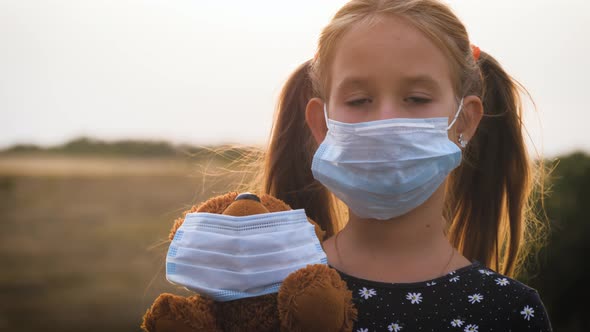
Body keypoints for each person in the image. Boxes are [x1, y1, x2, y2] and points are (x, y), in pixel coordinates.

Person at [255, 0, 553, 330]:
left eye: (417, 99)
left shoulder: (510, 312)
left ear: (465, 122)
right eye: (358, 100)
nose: (388, 120)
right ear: (322, 125)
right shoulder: (266, 297)